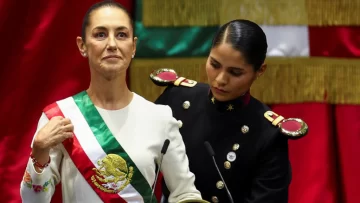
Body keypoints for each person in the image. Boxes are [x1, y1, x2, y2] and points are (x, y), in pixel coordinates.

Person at [20, 1, 204, 203]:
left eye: (121, 35)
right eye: (100, 34)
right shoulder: (59, 117)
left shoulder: (160, 118)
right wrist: (39, 152)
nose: (112, 44)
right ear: (82, 46)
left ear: (133, 46)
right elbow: (33, 200)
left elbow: (185, 193)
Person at [151, 19, 309, 203]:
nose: (220, 79)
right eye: (214, 64)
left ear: (260, 70)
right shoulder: (177, 98)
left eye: (235, 72)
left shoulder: (268, 134)